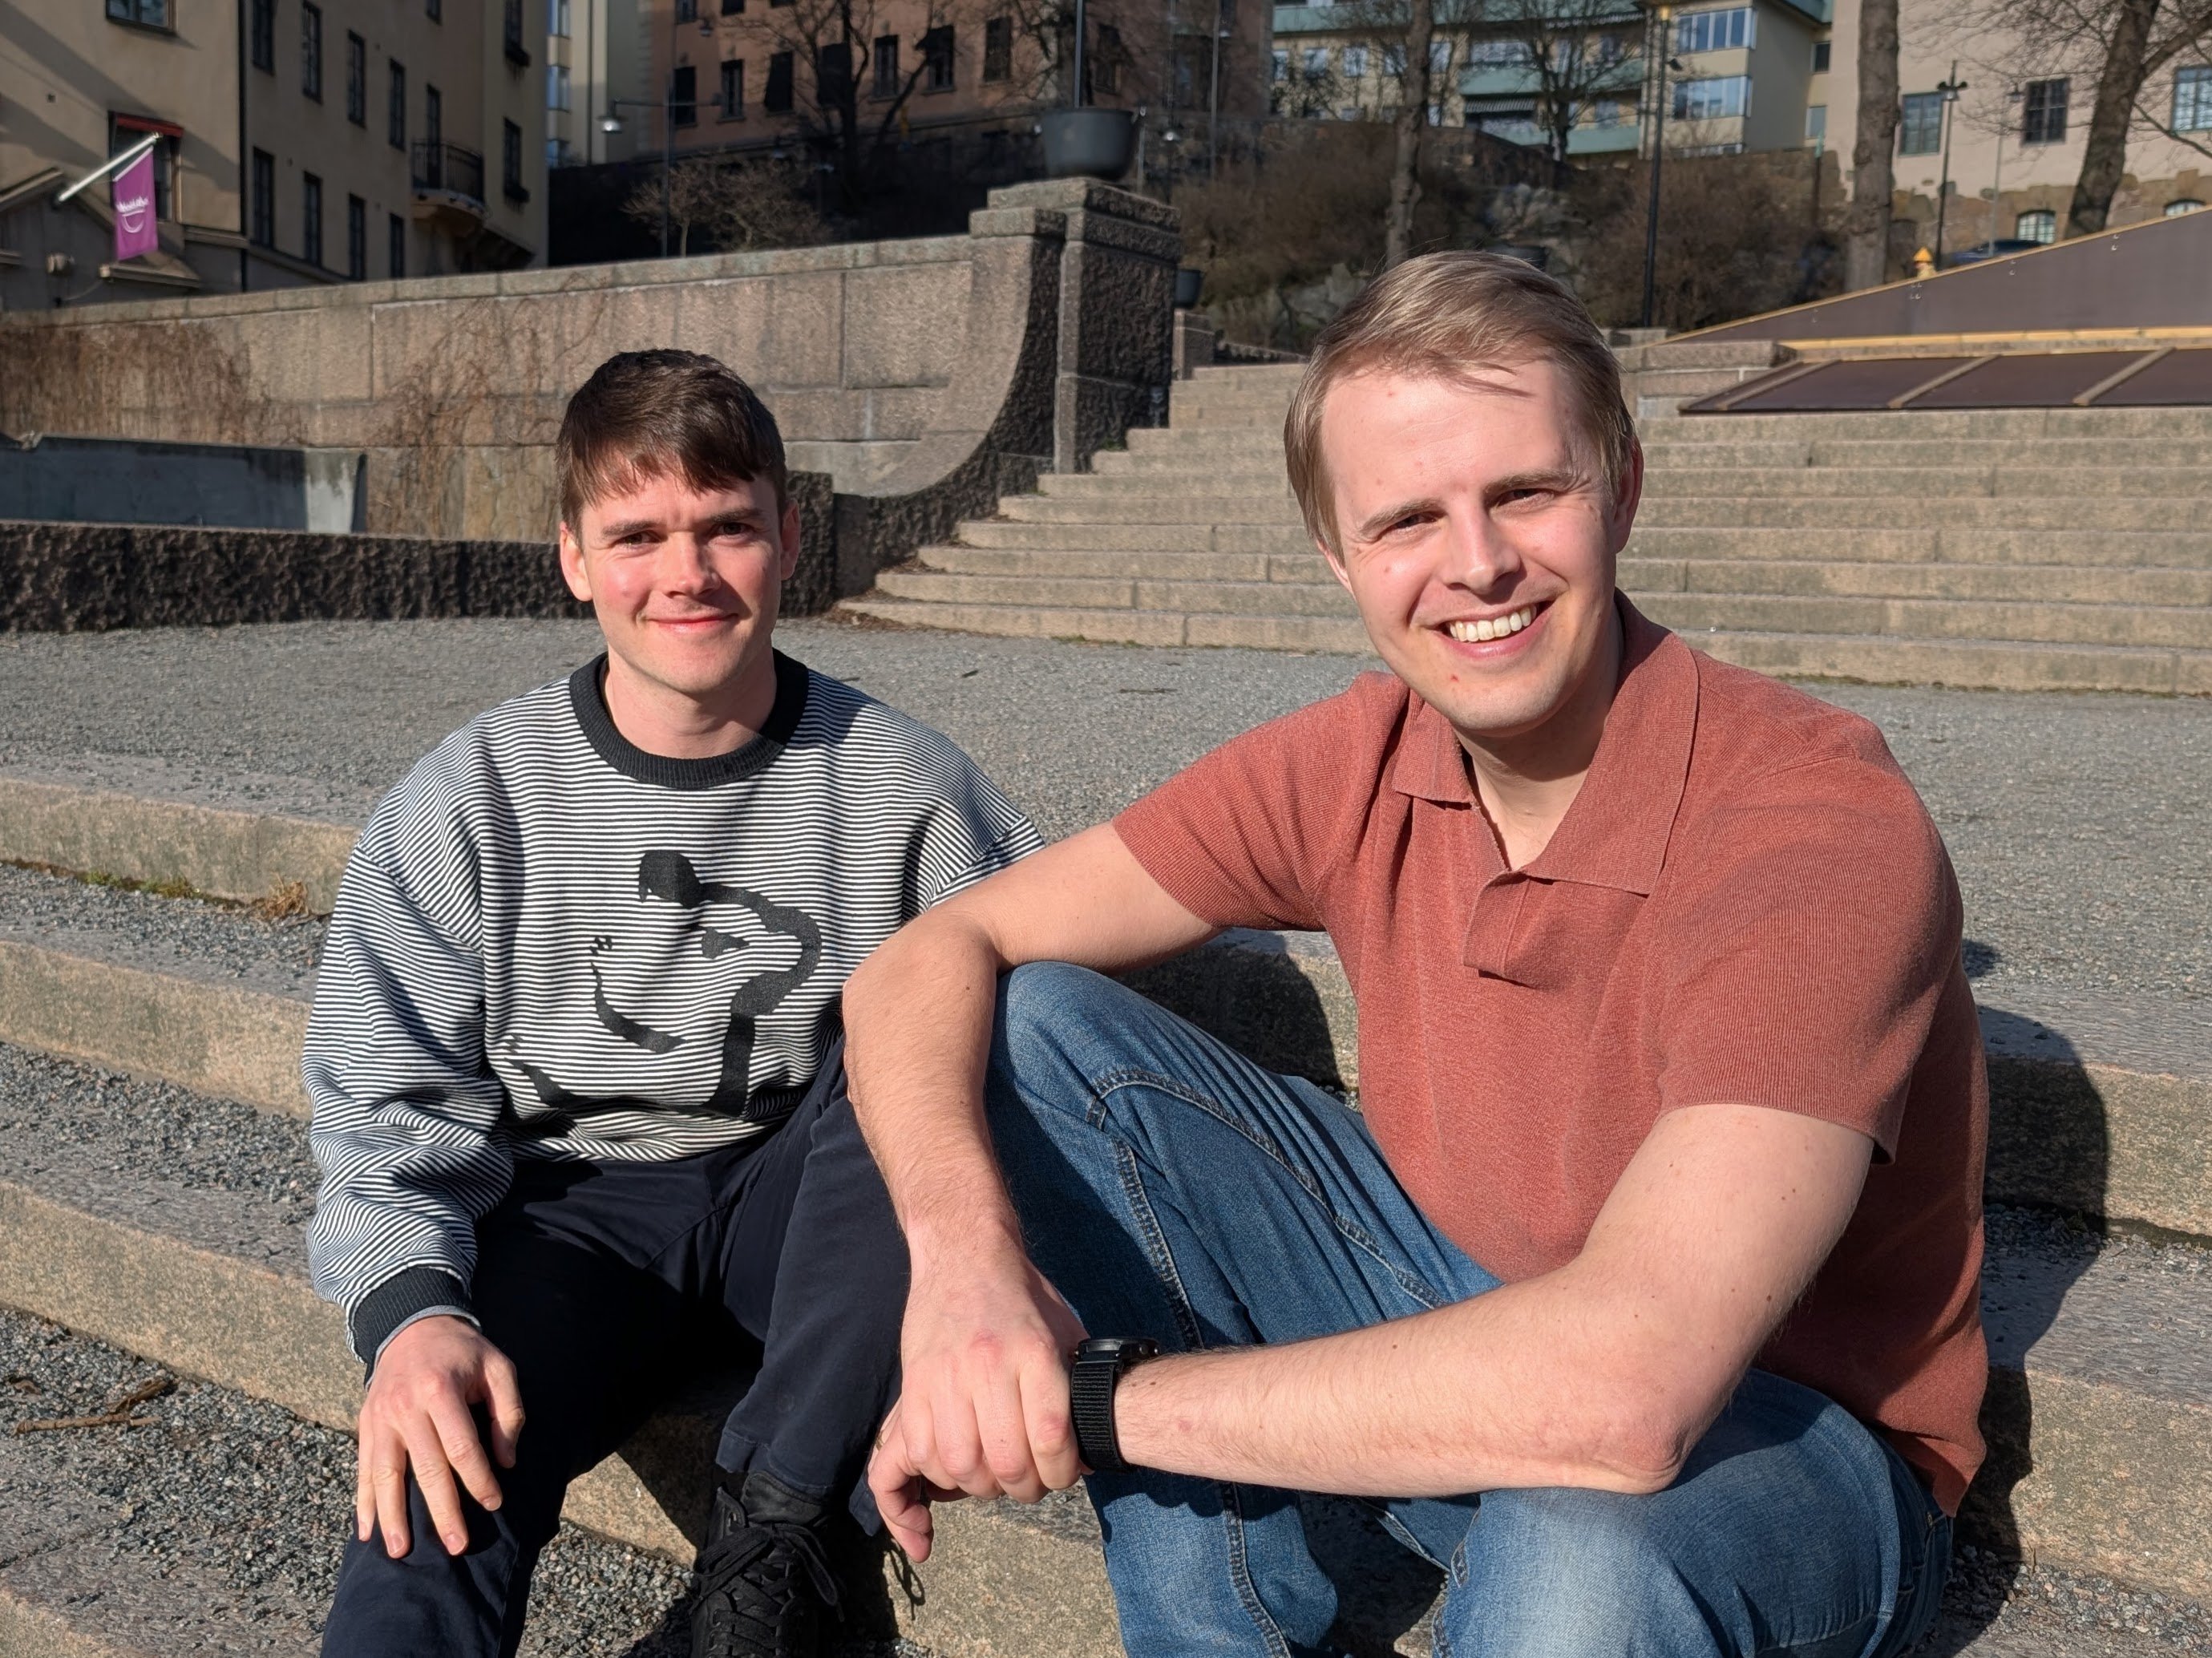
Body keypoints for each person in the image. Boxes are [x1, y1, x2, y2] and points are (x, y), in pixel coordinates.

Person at [843, 253, 1988, 1657]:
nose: (1478, 564)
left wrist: (1085, 1402)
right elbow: (926, 953)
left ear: (1622, 485)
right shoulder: (1361, 754)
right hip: (1445, 1282)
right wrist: (963, 1270)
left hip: (1772, 1439)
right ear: (1341, 558)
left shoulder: (1810, 820)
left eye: (1526, 491)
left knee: (1578, 1552)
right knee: (1034, 1025)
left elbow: (1627, 1393)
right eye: (1407, 519)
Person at [303, 349, 1040, 1658]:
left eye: (726, 528)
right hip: (572, 1207)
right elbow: (383, 1102)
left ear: (788, 537)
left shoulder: (907, 783)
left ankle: (769, 1551)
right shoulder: (466, 799)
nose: (686, 574)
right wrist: (413, 1317)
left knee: (916, 1056)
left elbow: (1044, 1003)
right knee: (429, 1481)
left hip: (807, 1202)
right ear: (576, 557)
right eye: (638, 535)